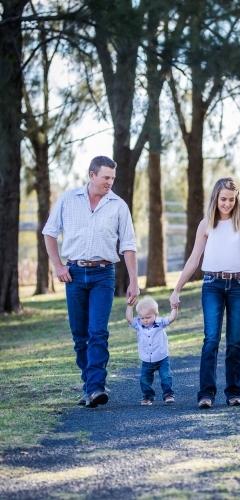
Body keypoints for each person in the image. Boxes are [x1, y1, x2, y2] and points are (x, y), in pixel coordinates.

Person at [43, 156, 140, 408]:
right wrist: (57, 265)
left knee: (98, 332)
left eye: (113, 178)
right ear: (92, 175)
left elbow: (128, 245)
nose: (110, 182)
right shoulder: (68, 199)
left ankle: (96, 387)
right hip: (73, 274)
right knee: (79, 336)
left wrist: (133, 281)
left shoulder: (118, 205)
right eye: (106, 177)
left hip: (103, 275)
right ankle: (89, 385)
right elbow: (49, 232)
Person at [170, 177, 240, 409]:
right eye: (223, 199)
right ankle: (206, 394)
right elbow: (193, 260)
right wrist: (176, 289)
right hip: (212, 284)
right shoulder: (205, 225)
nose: (227, 204)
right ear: (215, 198)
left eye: (232, 199)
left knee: (234, 341)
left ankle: (233, 392)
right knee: (211, 339)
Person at [126, 296, 178, 405]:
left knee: (166, 376)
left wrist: (174, 307)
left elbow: (172, 318)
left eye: (148, 317)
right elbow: (129, 319)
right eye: (142, 317)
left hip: (162, 358)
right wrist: (130, 306)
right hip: (146, 360)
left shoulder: (160, 323)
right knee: (144, 379)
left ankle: (168, 394)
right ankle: (147, 396)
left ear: (156, 315)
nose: (145, 320)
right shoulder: (138, 325)